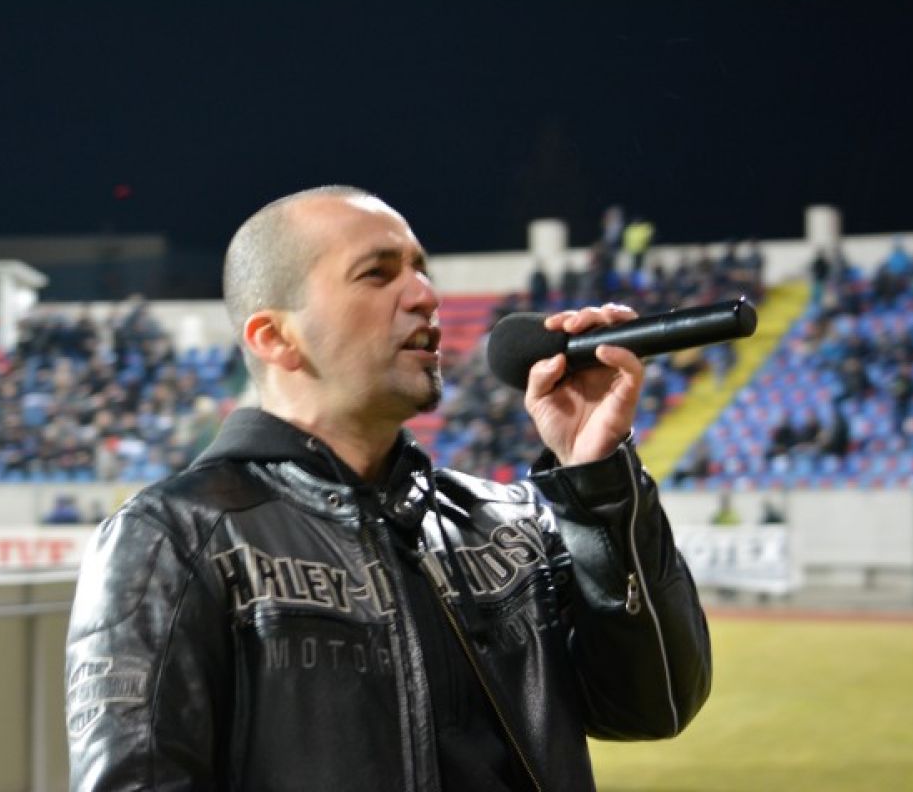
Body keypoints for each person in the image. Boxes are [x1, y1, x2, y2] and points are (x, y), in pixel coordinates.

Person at [65, 186, 712, 791]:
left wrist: (597, 475)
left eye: (421, 270)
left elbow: (655, 703)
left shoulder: (508, 520)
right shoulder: (173, 539)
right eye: (377, 274)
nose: (425, 295)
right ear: (275, 338)